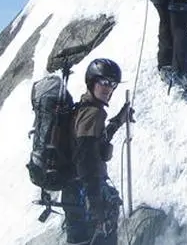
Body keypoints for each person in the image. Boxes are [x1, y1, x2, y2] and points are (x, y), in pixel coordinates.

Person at [63, 58, 132, 245]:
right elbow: (85, 158)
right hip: (85, 194)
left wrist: (118, 120)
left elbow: (94, 144)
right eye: (104, 82)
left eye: (112, 84)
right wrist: (96, 205)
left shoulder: (85, 108)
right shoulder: (93, 113)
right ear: (92, 82)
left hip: (74, 193)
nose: (108, 88)